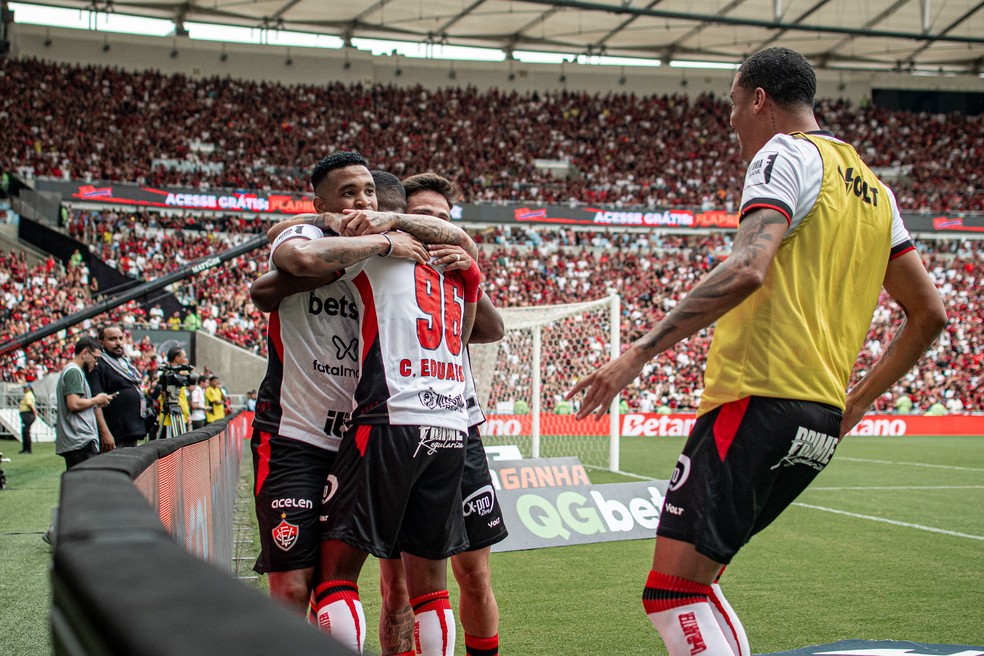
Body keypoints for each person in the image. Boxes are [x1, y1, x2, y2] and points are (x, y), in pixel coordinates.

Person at [567, 47, 946, 656]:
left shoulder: (784, 154)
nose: (733, 121)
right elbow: (930, 315)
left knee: (672, 593)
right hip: (818, 419)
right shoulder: (875, 191)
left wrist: (639, 351)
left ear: (759, 98)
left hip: (757, 399)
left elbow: (747, 268)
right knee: (698, 584)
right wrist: (856, 404)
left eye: (734, 105)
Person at [248, 154, 473, 631]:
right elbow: (269, 285)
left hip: (362, 434)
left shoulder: (406, 258)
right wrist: (382, 240)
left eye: (368, 192)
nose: (362, 201)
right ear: (322, 204)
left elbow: (482, 321)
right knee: (293, 587)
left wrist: (456, 266)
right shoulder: (315, 236)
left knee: (377, 585)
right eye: (348, 193)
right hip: (297, 434)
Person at [314, 173, 484, 656]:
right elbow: (466, 335)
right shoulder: (452, 263)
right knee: (430, 587)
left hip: (391, 420)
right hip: (451, 428)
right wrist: (471, 281)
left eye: (363, 199)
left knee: (334, 575)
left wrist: (340, 223)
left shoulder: (377, 248)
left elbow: (295, 257)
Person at [397, 172, 507, 656]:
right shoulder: (384, 264)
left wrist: (471, 276)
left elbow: (493, 329)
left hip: (462, 431)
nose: (438, 227)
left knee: (475, 574)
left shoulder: (457, 273)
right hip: (400, 431)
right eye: (425, 217)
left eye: (445, 219)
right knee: (399, 588)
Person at [56, 336, 114, 468]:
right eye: (96, 358)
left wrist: (96, 402)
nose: (96, 362)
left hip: (77, 440)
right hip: (79, 441)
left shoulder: (73, 371)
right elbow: (74, 403)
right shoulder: (73, 372)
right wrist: (96, 399)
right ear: (85, 353)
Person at [87, 324, 149, 448]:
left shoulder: (123, 363)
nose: (118, 343)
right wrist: (105, 433)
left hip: (130, 432)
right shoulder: (98, 365)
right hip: (114, 436)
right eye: (112, 339)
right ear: (101, 342)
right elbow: (96, 403)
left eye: (120, 338)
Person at [155, 346, 191, 439]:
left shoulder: (180, 377)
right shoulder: (166, 375)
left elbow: (182, 397)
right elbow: (162, 393)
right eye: (184, 357)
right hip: (169, 418)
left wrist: (187, 414)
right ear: (177, 358)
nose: (186, 360)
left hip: (181, 415)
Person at [18, 384, 38, 454]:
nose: (24, 389)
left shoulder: (28, 395)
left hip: (27, 414)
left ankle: (27, 449)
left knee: (25, 432)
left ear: (28, 388)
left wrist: (34, 411)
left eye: (25, 388)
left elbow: (29, 404)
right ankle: (25, 449)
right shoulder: (29, 394)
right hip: (28, 414)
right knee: (25, 432)